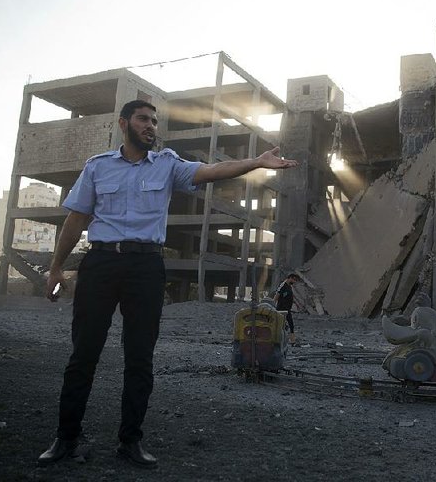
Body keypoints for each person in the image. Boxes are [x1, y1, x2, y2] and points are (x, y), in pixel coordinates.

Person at [39, 99, 297, 468]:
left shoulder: (166, 166)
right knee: (83, 354)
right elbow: (76, 219)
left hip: (145, 267)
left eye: (154, 121)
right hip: (100, 263)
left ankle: (130, 441)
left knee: (140, 357)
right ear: (124, 123)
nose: (151, 126)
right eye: (143, 119)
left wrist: (255, 162)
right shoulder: (97, 167)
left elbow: (212, 171)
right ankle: (65, 438)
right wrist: (56, 269)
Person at [274, 273, 301, 344]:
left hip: (287, 309)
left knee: (290, 324)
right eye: (294, 280)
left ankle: (292, 340)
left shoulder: (289, 286)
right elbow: (277, 296)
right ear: (290, 278)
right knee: (281, 324)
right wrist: (273, 306)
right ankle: (280, 339)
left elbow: (290, 297)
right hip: (281, 309)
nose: (294, 281)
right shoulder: (283, 286)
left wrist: (296, 304)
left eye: (296, 280)